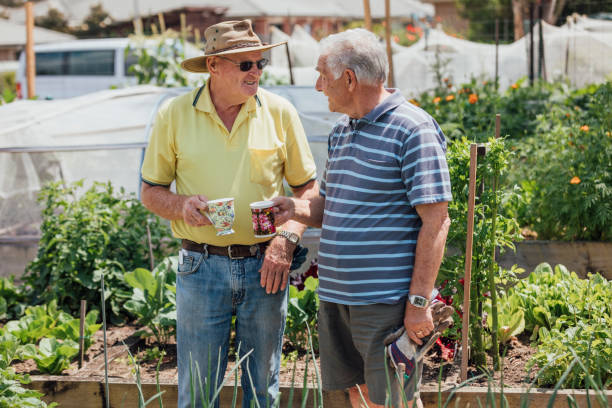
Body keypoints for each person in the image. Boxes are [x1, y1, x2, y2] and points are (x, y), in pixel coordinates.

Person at [139, 20, 318, 408]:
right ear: (213, 66)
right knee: (199, 395)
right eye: (245, 65)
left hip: (265, 267)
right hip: (200, 268)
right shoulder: (175, 114)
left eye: (260, 64)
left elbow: (307, 190)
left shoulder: (281, 112)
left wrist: (285, 241)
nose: (255, 72)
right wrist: (181, 206)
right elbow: (150, 191)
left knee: (262, 392)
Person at [272, 28, 453, 408]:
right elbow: (334, 206)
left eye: (323, 74)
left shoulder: (412, 130)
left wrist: (418, 303)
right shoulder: (342, 132)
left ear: (349, 79)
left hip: (383, 302)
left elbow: (436, 222)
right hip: (338, 297)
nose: (318, 85)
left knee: (394, 401)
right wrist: (297, 209)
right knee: (360, 395)